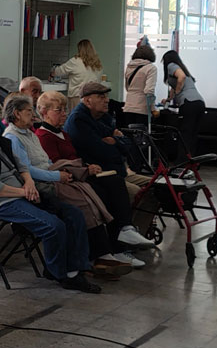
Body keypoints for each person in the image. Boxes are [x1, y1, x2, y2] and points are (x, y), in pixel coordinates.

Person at [0, 96, 99, 293]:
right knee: (53, 226)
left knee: (74, 214)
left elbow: (22, 165)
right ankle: (61, 273)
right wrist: (24, 191)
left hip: (21, 191)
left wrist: (29, 182)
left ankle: (74, 269)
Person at [1, 95, 129, 277]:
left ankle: (104, 251)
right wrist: (57, 175)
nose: (33, 114)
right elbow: (26, 170)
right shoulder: (13, 137)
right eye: (29, 111)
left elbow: (46, 161)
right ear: (17, 114)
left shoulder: (29, 133)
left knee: (89, 192)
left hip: (49, 174)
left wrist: (62, 172)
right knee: (83, 201)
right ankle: (95, 256)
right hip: (38, 184)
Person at [35, 90, 147, 264]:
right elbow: (57, 165)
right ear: (44, 112)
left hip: (79, 174)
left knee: (114, 182)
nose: (64, 114)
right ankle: (110, 248)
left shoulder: (63, 133)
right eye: (59, 110)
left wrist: (87, 166)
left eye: (65, 109)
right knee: (104, 193)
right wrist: (85, 168)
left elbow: (74, 157)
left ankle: (123, 233)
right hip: (66, 180)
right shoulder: (44, 136)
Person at [64, 80, 159, 247]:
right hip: (101, 173)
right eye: (101, 96)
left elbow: (128, 146)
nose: (107, 100)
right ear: (87, 100)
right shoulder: (78, 120)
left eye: (106, 96)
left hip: (118, 169)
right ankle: (122, 240)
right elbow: (101, 151)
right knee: (136, 192)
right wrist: (118, 144)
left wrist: (115, 141)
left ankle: (135, 235)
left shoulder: (104, 117)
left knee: (156, 186)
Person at [160, 50, 206, 155]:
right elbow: (175, 85)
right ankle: (192, 160)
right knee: (193, 134)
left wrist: (178, 92)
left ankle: (182, 160)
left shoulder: (171, 65)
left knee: (185, 134)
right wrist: (169, 99)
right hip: (199, 103)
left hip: (189, 103)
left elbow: (181, 77)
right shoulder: (183, 68)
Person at [53, 39, 103, 104]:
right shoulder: (97, 63)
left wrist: (52, 73)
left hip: (77, 96)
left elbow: (58, 71)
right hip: (93, 96)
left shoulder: (75, 61)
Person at [121, 43, 157, 129]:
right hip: (142, 109)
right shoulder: (151, 68)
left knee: (130, 134)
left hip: (128, 107)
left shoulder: (129, 67)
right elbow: (149, 91)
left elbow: (127, 88)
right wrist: (153, 109)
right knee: (142, 136)